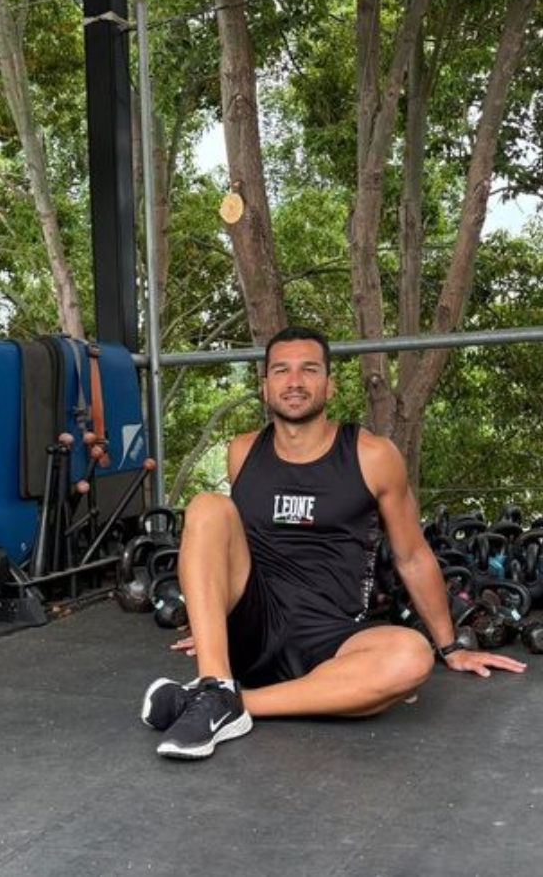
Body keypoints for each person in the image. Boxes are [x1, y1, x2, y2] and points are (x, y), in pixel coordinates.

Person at [141, 325, 526, 760]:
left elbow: (412, 555)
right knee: (207, 506)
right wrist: (210, 623)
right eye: (281, 371)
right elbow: (222, 544)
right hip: (254, 623)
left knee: (410, 657)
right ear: (265, 386)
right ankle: (215, 682)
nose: (294, 382)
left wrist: (450, 646)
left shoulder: (373, 455)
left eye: (309, 369)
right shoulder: (243, 451)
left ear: (329, 384)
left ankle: (225, 703)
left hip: (331, 638)